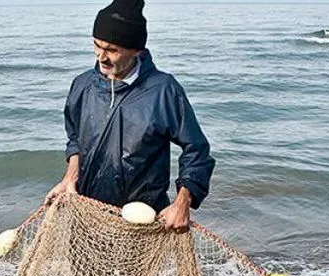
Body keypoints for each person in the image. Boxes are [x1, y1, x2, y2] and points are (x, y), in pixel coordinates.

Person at [45, 0, 215, 233]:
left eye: (112, 50)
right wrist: (70, 178)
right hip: (87, 214)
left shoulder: (163, 90)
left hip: (142, 222)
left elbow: (197, 150)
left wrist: (183, 202)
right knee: (85, 270)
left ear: (137, 50)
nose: (101, 57)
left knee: (134, 271)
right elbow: (74, 137)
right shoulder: (83, 85)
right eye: (97, 45)